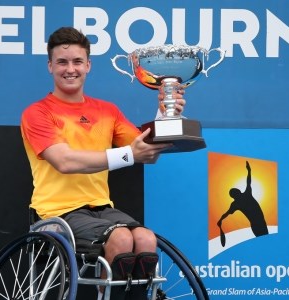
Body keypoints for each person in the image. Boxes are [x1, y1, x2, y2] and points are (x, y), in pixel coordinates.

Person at [19, 27, 186, 300]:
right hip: (56, 214)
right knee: (120, 238)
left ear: (88, 65)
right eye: (62, 62)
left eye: (77, 61)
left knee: (146, 239)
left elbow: (147, 149)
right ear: (50, 66)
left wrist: (165, 111)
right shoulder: (37, 113)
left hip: (102, 209)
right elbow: (64, 161)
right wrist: (129, 155)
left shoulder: (107, 110)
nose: (70, 69)